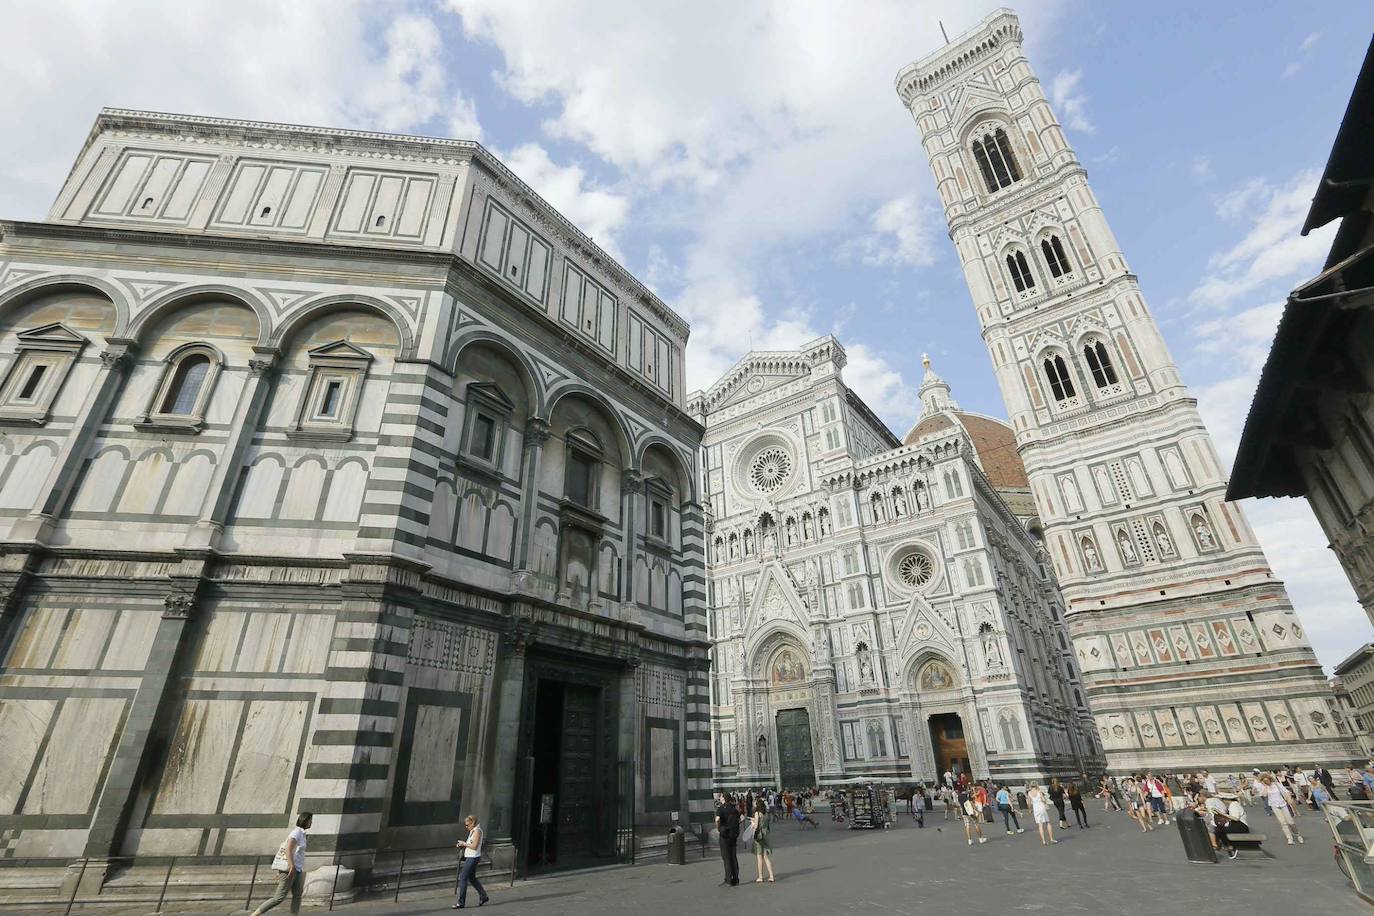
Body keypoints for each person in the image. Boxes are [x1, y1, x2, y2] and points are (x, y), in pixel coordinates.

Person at [252, 812, 312, 915]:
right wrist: (291, 866)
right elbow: (288, 850)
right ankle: (254, 915)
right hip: (290, 869)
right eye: (310, 820)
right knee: (278, 898)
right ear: (305, 821)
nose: (311, 822)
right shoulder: (296, 832)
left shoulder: (302, 834)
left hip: (297, 869)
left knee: (297, 895)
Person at [452, 814, 489, 910]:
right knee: (472, 878)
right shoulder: (473, 831)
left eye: (467, 825)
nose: (466, 827)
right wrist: (462, 845)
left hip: (473, 857)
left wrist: (464, 843)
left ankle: (461, 902)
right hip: (470, 856)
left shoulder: (477, 831)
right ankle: (483, 896)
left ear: (472, 823)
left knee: (463, 877)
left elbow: (474, 846)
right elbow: (471, 844)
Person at [1259, 774, 1304, 845]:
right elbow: (1264, 795)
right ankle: (1289, 838)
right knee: (1282, 823)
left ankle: (1298, 835)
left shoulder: (1277, 784)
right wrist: (1265, 786)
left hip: (1282, 804)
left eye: (1267, 780)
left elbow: (1286, 791)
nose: (1266, 781)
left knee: (1290, 822)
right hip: (1274, 805)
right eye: (1264, 781)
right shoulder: (1265, 787)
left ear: (1269, 779)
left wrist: (1289, 799)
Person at [716, 792, 741, 886]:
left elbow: (717, 820)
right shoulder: (734, 808)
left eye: (721, 797)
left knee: (726, 858)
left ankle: (728, 879)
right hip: (733, 835)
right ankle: (736, 879)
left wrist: (719, 828)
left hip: (724, 836)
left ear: (723, 799)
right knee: (733, 857)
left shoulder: (721, 809)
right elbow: (741, 818)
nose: (720, 798)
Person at [750, 799, 775, 883]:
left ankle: (760, 876)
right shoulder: (766, 814)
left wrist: (753, 824)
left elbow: (756, 826)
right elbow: (765, 824)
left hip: (759, 836)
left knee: (759, 857)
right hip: (766, 835)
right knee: (766, 857)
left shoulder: (757, 813)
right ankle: (771, 876)